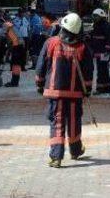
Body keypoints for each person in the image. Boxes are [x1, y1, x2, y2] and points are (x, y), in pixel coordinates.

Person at [36, 12, 93, 168]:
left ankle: (56, 157)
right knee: (74, 121)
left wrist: (40, 84)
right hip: (75, 93)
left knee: (57, 122)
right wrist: (87, 89)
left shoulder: (51, 43)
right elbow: (88, 70)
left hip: (56, 92)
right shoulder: (82, 47)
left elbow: (41, 66)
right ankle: (75, 151)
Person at [89, 9, 110, 94]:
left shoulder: (107, 26)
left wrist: (107, 49)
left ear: (101, 16)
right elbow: (93, 36)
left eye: (96, 16)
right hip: (98, 51)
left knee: (102, 70)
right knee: (102, 69)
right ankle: (106, 88)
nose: (94, 18)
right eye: (94, 16)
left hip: (104, 51)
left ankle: (100, 89)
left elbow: (109, 39)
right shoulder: (96, 25)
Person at [4, 20, 25, 87]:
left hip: (17, 47)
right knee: (15, 64)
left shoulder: (10, 30)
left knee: (15, 65)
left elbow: (10, 41)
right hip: (19, 47)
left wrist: (9, 49)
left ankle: (14, 82)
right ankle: (14, 81)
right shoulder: (14, 29)